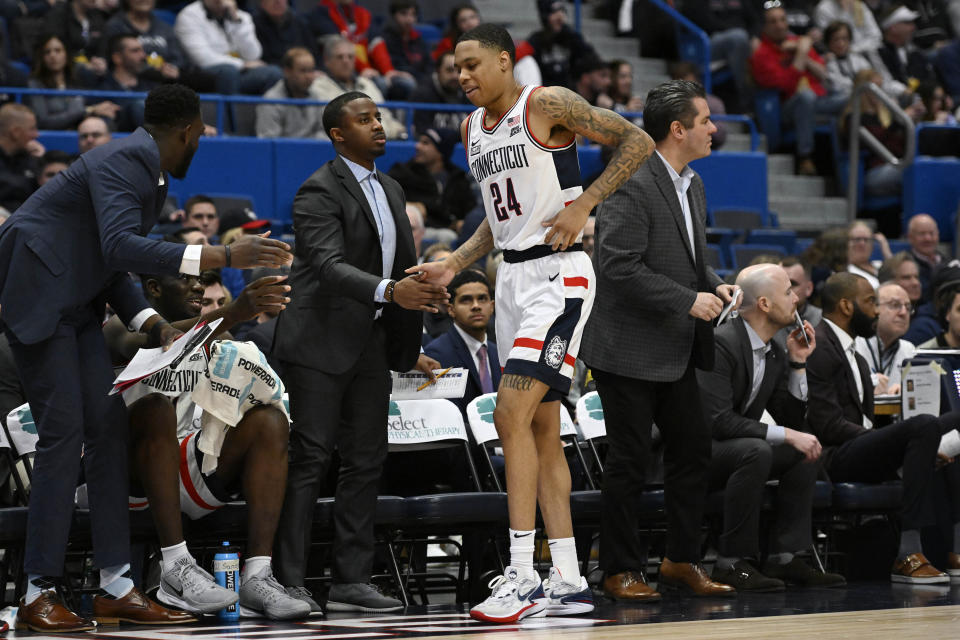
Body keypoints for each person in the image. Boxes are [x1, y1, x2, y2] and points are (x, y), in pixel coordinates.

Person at [0, 84, 293, 633]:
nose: (200, 144)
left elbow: (111, 263)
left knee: (108, 428)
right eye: (201, 136)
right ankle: (37, 591)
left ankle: (116, 585)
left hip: (77, 300)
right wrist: (225, 254)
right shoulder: (125, 159)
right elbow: (117, 247)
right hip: (40, 290)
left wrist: (151, 323)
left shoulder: (147, 171)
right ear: (188, 132)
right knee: (64, 433)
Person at [413, 23, 655, 623]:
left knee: (508, 413)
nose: (461, 76)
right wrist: (452, 264)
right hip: (511, 280)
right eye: (455, 69)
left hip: (560, 278)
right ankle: (569, 579)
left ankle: (522, 572)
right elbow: (499, 223)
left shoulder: (544, 103)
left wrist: (583, 204)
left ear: (504, 60)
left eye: (472, 65)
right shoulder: (471, 130)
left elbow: (638, 142)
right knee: (542, 429)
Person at [273, 91, 448, 614]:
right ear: (337, 133)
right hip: (318, 340)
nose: (378, 125)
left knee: (367, 461)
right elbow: (326, 266)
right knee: (309, 459)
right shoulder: (317, 189)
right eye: (364, 119)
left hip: (371, 339)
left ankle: (350, 579)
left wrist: (420, 292)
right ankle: (286, 579)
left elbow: (401, 264)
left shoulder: (392, 187)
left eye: (378, 117)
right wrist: (392, 291)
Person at [579, 79, 736, 603]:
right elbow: (618, 266)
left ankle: (678, 561)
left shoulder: (693, 183)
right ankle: (620, 569)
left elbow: (690, 258)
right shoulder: (631, 182)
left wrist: (713, 284)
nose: (715, 129)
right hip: (626, 348)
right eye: (706, 120)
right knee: (628, 461)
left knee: (692, 451)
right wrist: (688, 300)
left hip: (674, 347)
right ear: (677, 129)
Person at [102, 266, 308, 620]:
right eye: (186, 279)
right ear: (153, 287)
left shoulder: (213, 338)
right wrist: (235, 312)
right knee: (155, 409)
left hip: (186, 467)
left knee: (270, 421)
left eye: (200, 280)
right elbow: (155, 341)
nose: (197, 286)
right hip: (125, 477)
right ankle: (175, 567)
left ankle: (258, 575)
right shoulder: (121, 328)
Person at [698, 264, 845, 591]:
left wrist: (797, 363)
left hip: (732, 450)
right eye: (788, 291)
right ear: (764, 304)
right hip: (691, 454)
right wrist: (788, 434)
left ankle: (785, 557)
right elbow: (718, 422)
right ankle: (731, 562)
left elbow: (793, 422)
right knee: (756, 449)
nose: (797, 298)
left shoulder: (776, 350)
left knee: (802, 450)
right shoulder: (721, 343)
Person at [807, 272, 960, 584]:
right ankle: (908, 552)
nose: (876, 311)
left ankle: (955, 548)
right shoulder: (820, 346)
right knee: (923, 426)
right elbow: (827, 425)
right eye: (871, 302)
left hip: (861, 449)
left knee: (952, 416)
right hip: (835, 456)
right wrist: (888, 443)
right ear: (847, 307)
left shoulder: (852, 351)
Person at [751, 3, 845, 176]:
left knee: (851, 96)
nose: (779, 25)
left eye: (782, 20)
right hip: (787, 107)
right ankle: (805, 157)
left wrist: (802, 52)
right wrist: (802, 53)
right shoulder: (761, 54)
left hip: (820, 100)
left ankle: (849, 159)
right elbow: (786, 85)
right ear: (764, 27)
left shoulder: (797, 43)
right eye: (773, 22)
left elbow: (823, 74)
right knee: (805, 97)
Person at [424, 270, 500, 415]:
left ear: (492, 306)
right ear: (451, 310)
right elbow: (445, 416)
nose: (476, 306)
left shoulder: (499, 353)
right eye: (466, 300)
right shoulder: (436, 355)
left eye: (482, 299)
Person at [308, 0, 415, 99]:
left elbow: (376, 44)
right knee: (378, 84)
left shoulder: (363, 14)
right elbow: (343, 50)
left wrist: (388, 71)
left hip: (370, 71)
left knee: (406, 83)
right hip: (344, 71)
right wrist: (363, 68)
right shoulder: (321, 14)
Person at [174, 0, 282, 96]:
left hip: (236, 73)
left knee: (273, 73)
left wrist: (236, 21)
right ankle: (230, 119)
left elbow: (253, 55)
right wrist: (242, 64)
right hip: (202, 73)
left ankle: (264, 117)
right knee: (228, 72)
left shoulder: (241, 17)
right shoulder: (189, 15)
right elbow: (202, 59)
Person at [387, 128, 476, 240]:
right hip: (416, 231)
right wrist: (409, 205)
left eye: (425, 143)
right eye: (419, 141)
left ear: (440, 152)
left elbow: (470, 209)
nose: (417, 146)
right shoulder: (403, 172)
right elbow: (383, 197)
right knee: (447, 237)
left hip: (451, 231)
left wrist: (463, 223)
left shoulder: (458, 178)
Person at [311, 37, 406, 139]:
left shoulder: (367, 84)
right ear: (327, 61)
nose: (346, 61)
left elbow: (385, 116)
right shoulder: (318, 87)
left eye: (350, 57)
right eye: (340, 57)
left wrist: (400, 131)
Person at [27, 34, 120, 130]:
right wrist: (88, 111)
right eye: (47, 52)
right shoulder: (35, 83)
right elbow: (43, 122)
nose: (53, 55)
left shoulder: (79, 77)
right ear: (41, 57)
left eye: (58, 50)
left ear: (66, 53)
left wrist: (102, 73)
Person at [683, 0, 761, 113]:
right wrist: (739, 32)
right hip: (708, 40)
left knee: (751, 43)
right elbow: (703, 20)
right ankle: (746, 98)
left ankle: (761, 99)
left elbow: (754, 20)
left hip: (741, 39)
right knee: (738, 37)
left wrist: (755, 37)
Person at [855, 281, 917, 393]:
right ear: (875, 308)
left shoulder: (909, 350)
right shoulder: (855, 345)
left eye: (908, 307)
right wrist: (868, 384)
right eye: (895, 305)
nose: (903, 312)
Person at [256, 47, 324, 139]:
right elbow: (268, 140)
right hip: (284, 152)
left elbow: (324, 131)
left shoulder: (316, 97)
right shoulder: (270, 101)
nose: (308, 76)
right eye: (303, 71)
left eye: (311, 70)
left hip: (312, 151)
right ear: (287, 71)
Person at [528, 1, 598, 90]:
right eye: (554, 13)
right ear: (545, 17)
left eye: (562, 12)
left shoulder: (571, 37)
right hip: (543, 93)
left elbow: (592, 58)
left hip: (569, 93)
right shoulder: (536, 40)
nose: (560, 16)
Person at [99, 34, 158, 132]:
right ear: (117, 58)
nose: (143, 55)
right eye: (135, 51)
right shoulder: (103, 89)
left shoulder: (152, 87)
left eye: (142, 50)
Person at [410, 50, 472, 133]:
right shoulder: (422, 94)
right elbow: (421, 133)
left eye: (459, 71)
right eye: (449, 70)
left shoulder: (469, 92)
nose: (455, 76)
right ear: (438, 71)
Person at [0, 103, 44, 211]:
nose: (37, 135)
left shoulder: (31, 159)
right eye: (32, 129)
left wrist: (42, 161)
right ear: (16, 132)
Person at [376, 0, 431, 84]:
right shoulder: (385, 39)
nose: (409, 19)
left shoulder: (418, 39)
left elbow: (429, 64)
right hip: (399, 81)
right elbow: (398, 66)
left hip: (421, 80)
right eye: (404, 14)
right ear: (393, 16)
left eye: (413, 14)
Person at [254, 0, 318, 67]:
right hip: (275, 71)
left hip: (306, 69)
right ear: (262, 2)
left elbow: (315, 54)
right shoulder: (253, 25)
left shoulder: (300, 22)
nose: (278, 1)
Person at [906, 212, 948, 302]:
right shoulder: (904, 266)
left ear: (938, 235)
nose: (928, 238)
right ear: (910, 237)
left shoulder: (949, 263)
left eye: (932, 233)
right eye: (922, 234)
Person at [846, 220, 885, 288]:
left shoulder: (880, 264)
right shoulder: (843, 271)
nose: (862, 243)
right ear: (847, 243)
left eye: (866, 239)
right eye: (857, 239)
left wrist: (886, 251)